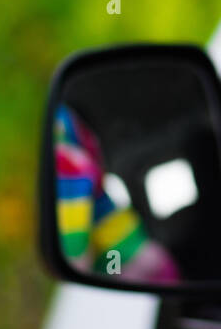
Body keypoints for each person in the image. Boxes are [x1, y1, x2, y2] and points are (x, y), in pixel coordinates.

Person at [53, 103, 183, 284]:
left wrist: (75, 258)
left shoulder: (58, 129)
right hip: (134, 253)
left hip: (123, 257)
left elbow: (74, 173)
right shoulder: (64, 123)